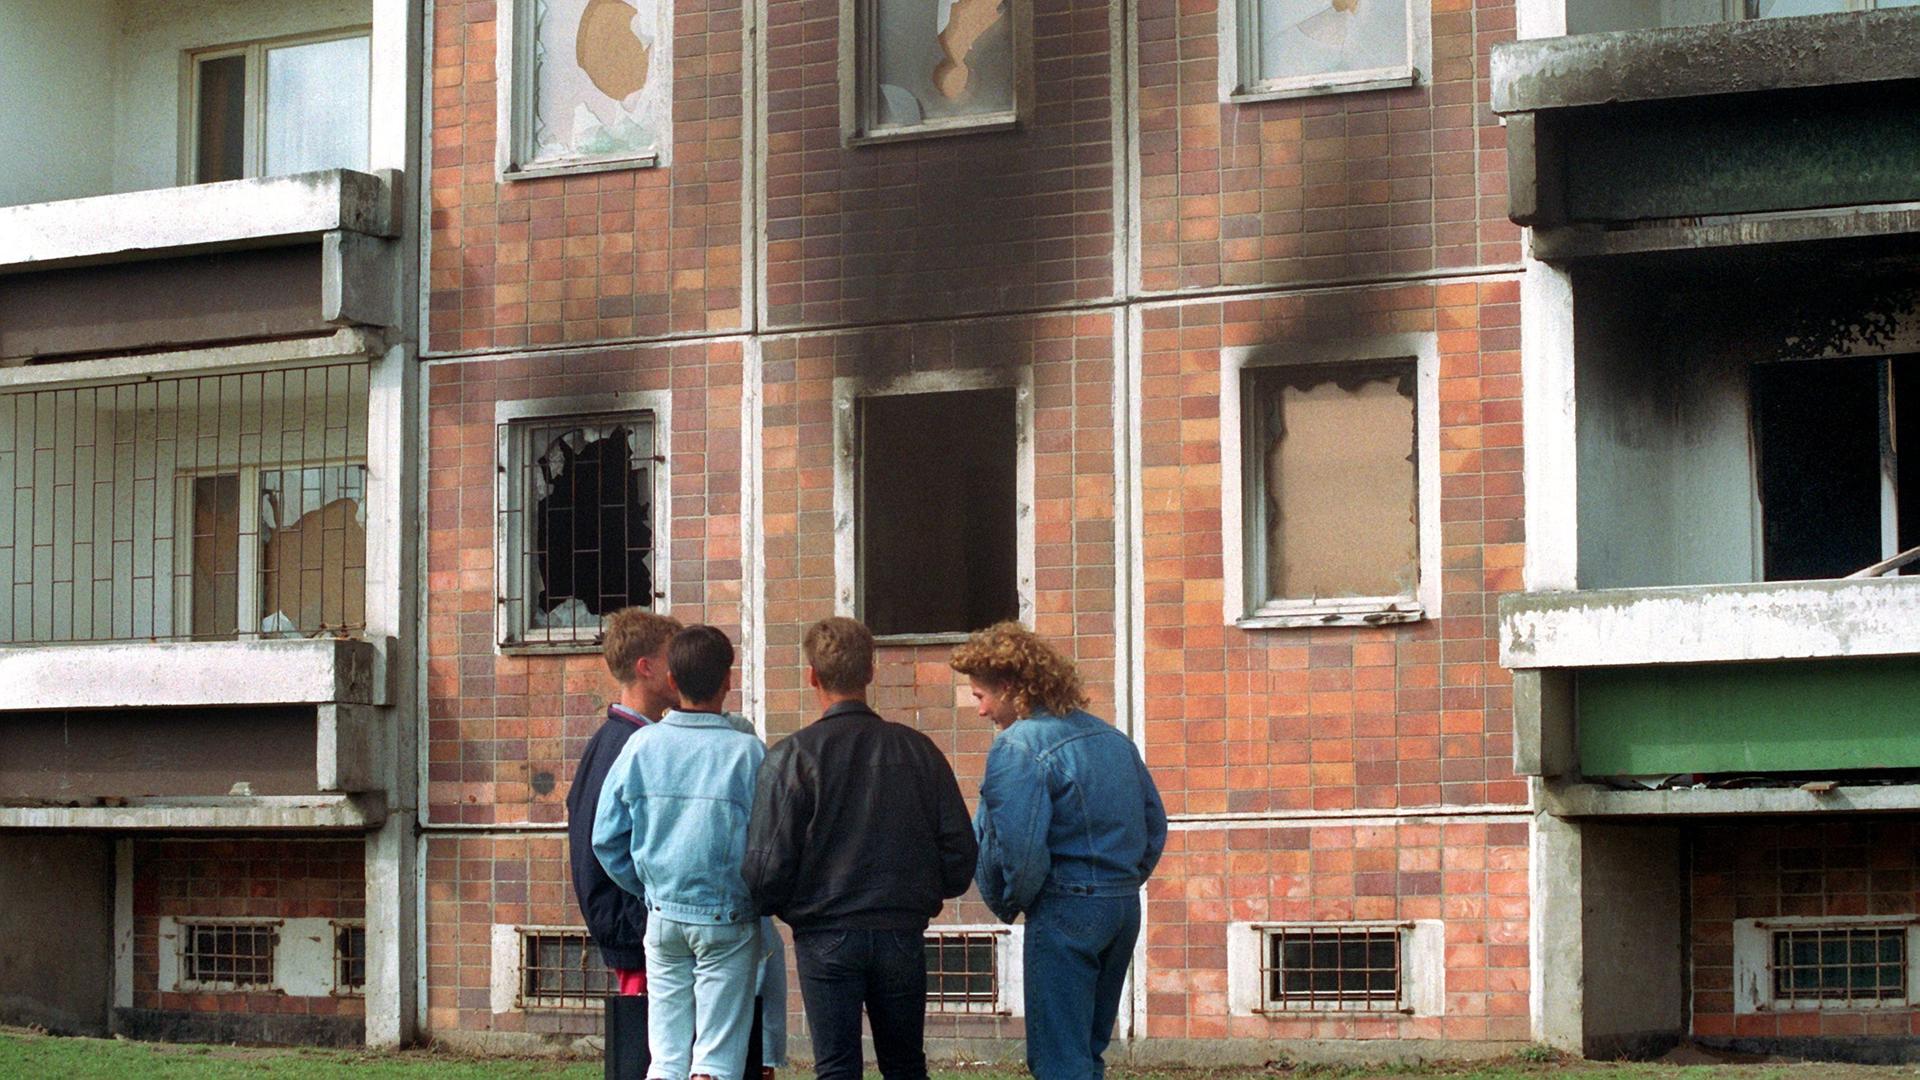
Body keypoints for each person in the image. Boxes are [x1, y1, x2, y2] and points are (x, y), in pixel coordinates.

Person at [744, 617, 977, 1080]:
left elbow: (765, 869)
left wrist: (791, 907)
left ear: (812, 675)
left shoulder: (792, 757)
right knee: (906, 1065)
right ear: (871, 672)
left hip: (824, 933)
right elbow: (959, 853)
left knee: (836, 1068)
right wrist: (922, 893)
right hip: (900, 929)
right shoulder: (919, 751)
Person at [951, 622, 1167, 1080]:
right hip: (1122, 905)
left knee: (1058, 1060)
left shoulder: (1017, 746)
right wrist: (1120, 881)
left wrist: (1016, 900)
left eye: (980, 696)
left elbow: (1022, 851)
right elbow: (1154, 825)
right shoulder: (1111, 737)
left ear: (1009, 688)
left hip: (1066, 908)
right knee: (1087, 1052)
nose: (980, 710)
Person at [595, 625, 766, 1080]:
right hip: (728, 916)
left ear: (671, 681)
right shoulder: (748, 753)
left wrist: (648, 886)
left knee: (666, 1057)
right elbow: (770, 841)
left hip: (663, 914)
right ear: (728, 680)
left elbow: (605, 838)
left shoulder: (641, 745)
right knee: (717, 1057)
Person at [568, 608, 682, 1078]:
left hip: (636, 929)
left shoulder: (625, 739)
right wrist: (640, 918)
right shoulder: (623, 745)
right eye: (672, 660)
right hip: (636, 934)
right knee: (650, 1055)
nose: (681, 672)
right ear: (646, 667)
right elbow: (598, 848)